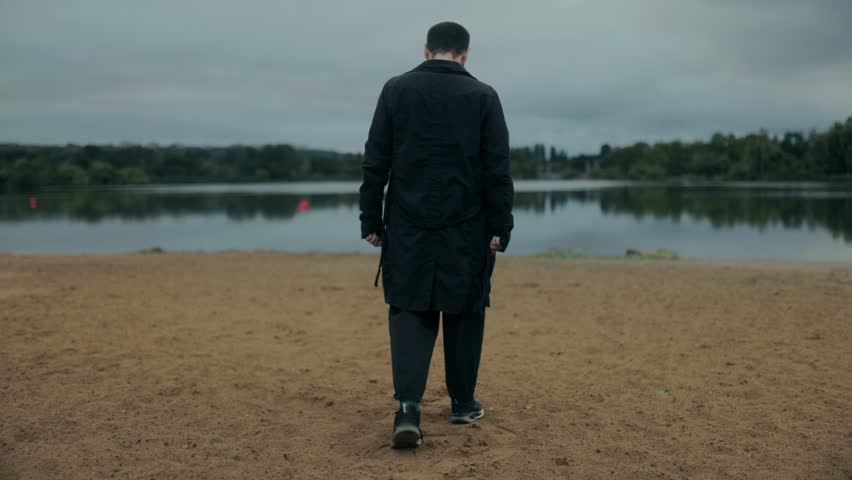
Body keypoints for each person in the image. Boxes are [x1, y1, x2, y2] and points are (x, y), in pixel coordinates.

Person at [359, 21, 513, 449]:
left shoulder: (395, 90)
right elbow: (497, 170)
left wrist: (370, 218)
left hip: (409, 224)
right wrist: (501, 227)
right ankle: (462, 405)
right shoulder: (484, 95)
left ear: (426, 51)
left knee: (410, 309)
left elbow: (376, 162)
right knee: (465, 309)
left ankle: (408, 407)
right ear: (465, 55)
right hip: (468, 226)